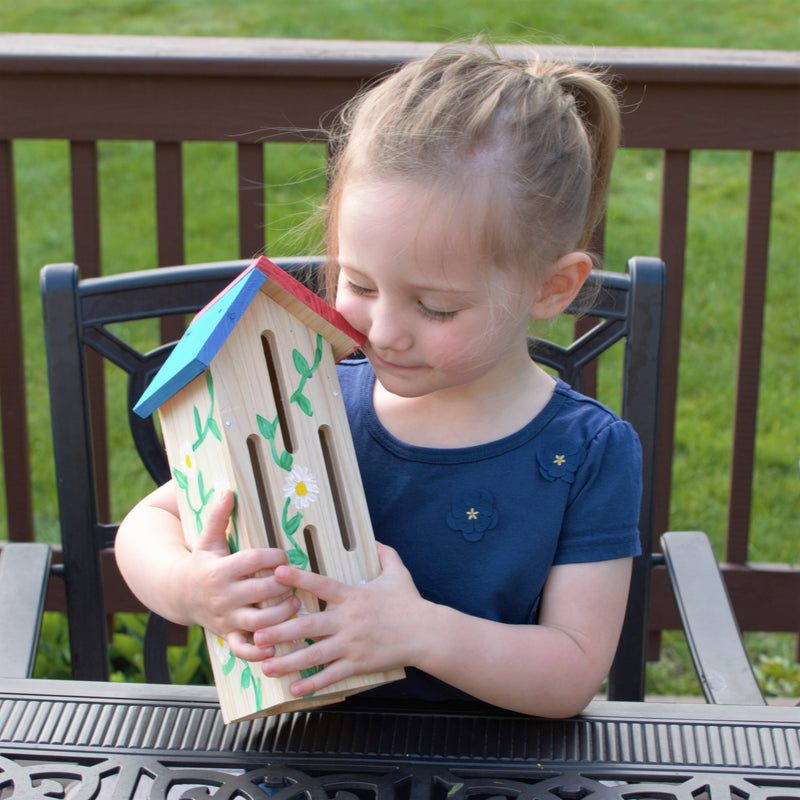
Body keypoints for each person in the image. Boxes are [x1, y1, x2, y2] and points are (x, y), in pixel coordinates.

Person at [115, 41, 642, 719]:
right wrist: (189, 586)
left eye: (436, 306)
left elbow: (570, 673)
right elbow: (151, 521)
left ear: (553, 287)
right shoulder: (310, 393)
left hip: (493, 771)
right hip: (307, 759)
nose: (384, 330)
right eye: (358, 283)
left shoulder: (585, 454)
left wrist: (419, 632)